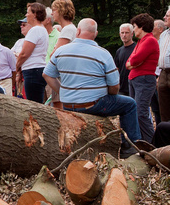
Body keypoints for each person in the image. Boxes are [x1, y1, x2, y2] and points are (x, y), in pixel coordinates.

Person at [42, 18, 141, 152]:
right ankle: (130, 148)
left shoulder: (61, 51)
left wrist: (63, 91)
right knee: (130, 104)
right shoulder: (103, 53)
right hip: (94, 104)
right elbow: (115, 86)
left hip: (68, 104)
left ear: (78, 31)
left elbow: (47, 74)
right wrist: (109, 95)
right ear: (95, 34)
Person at [126, 13, 158, 142]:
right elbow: (129, 62)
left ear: (142, 27)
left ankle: (152, 143)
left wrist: (133, 64)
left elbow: (134, 60)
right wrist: (133, 64)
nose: (133, 30)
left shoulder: (150, 40)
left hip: (144, 80)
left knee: (141, 112)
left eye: (134, 27)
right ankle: (140, 142)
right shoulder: (141, 41)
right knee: (134, 113)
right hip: (135, 79)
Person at [16, 3, 49, 103]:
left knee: (34, 105)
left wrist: (17, 66)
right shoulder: (42, 29)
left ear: (34, 14)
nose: (26, 15)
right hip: (36, 70)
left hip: (33, 71)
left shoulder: (35, 30)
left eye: (28, 12)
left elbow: (24, 54)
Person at [114, 23, 136, 96]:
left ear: (132, 34)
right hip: (121, 88)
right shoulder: (119, 51)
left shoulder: (137, 48)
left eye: (127, 33)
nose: (124, 35)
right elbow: (116, 69)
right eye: (122, 33)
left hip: (134, 86)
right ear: (120, 34)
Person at [158, 7, 170, 122]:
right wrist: (158, 75)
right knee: (164, 108)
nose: (164, 18)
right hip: (163, 73)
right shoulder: (164, 35)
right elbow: (160, 55)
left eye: (167, 16)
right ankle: (166, 136)